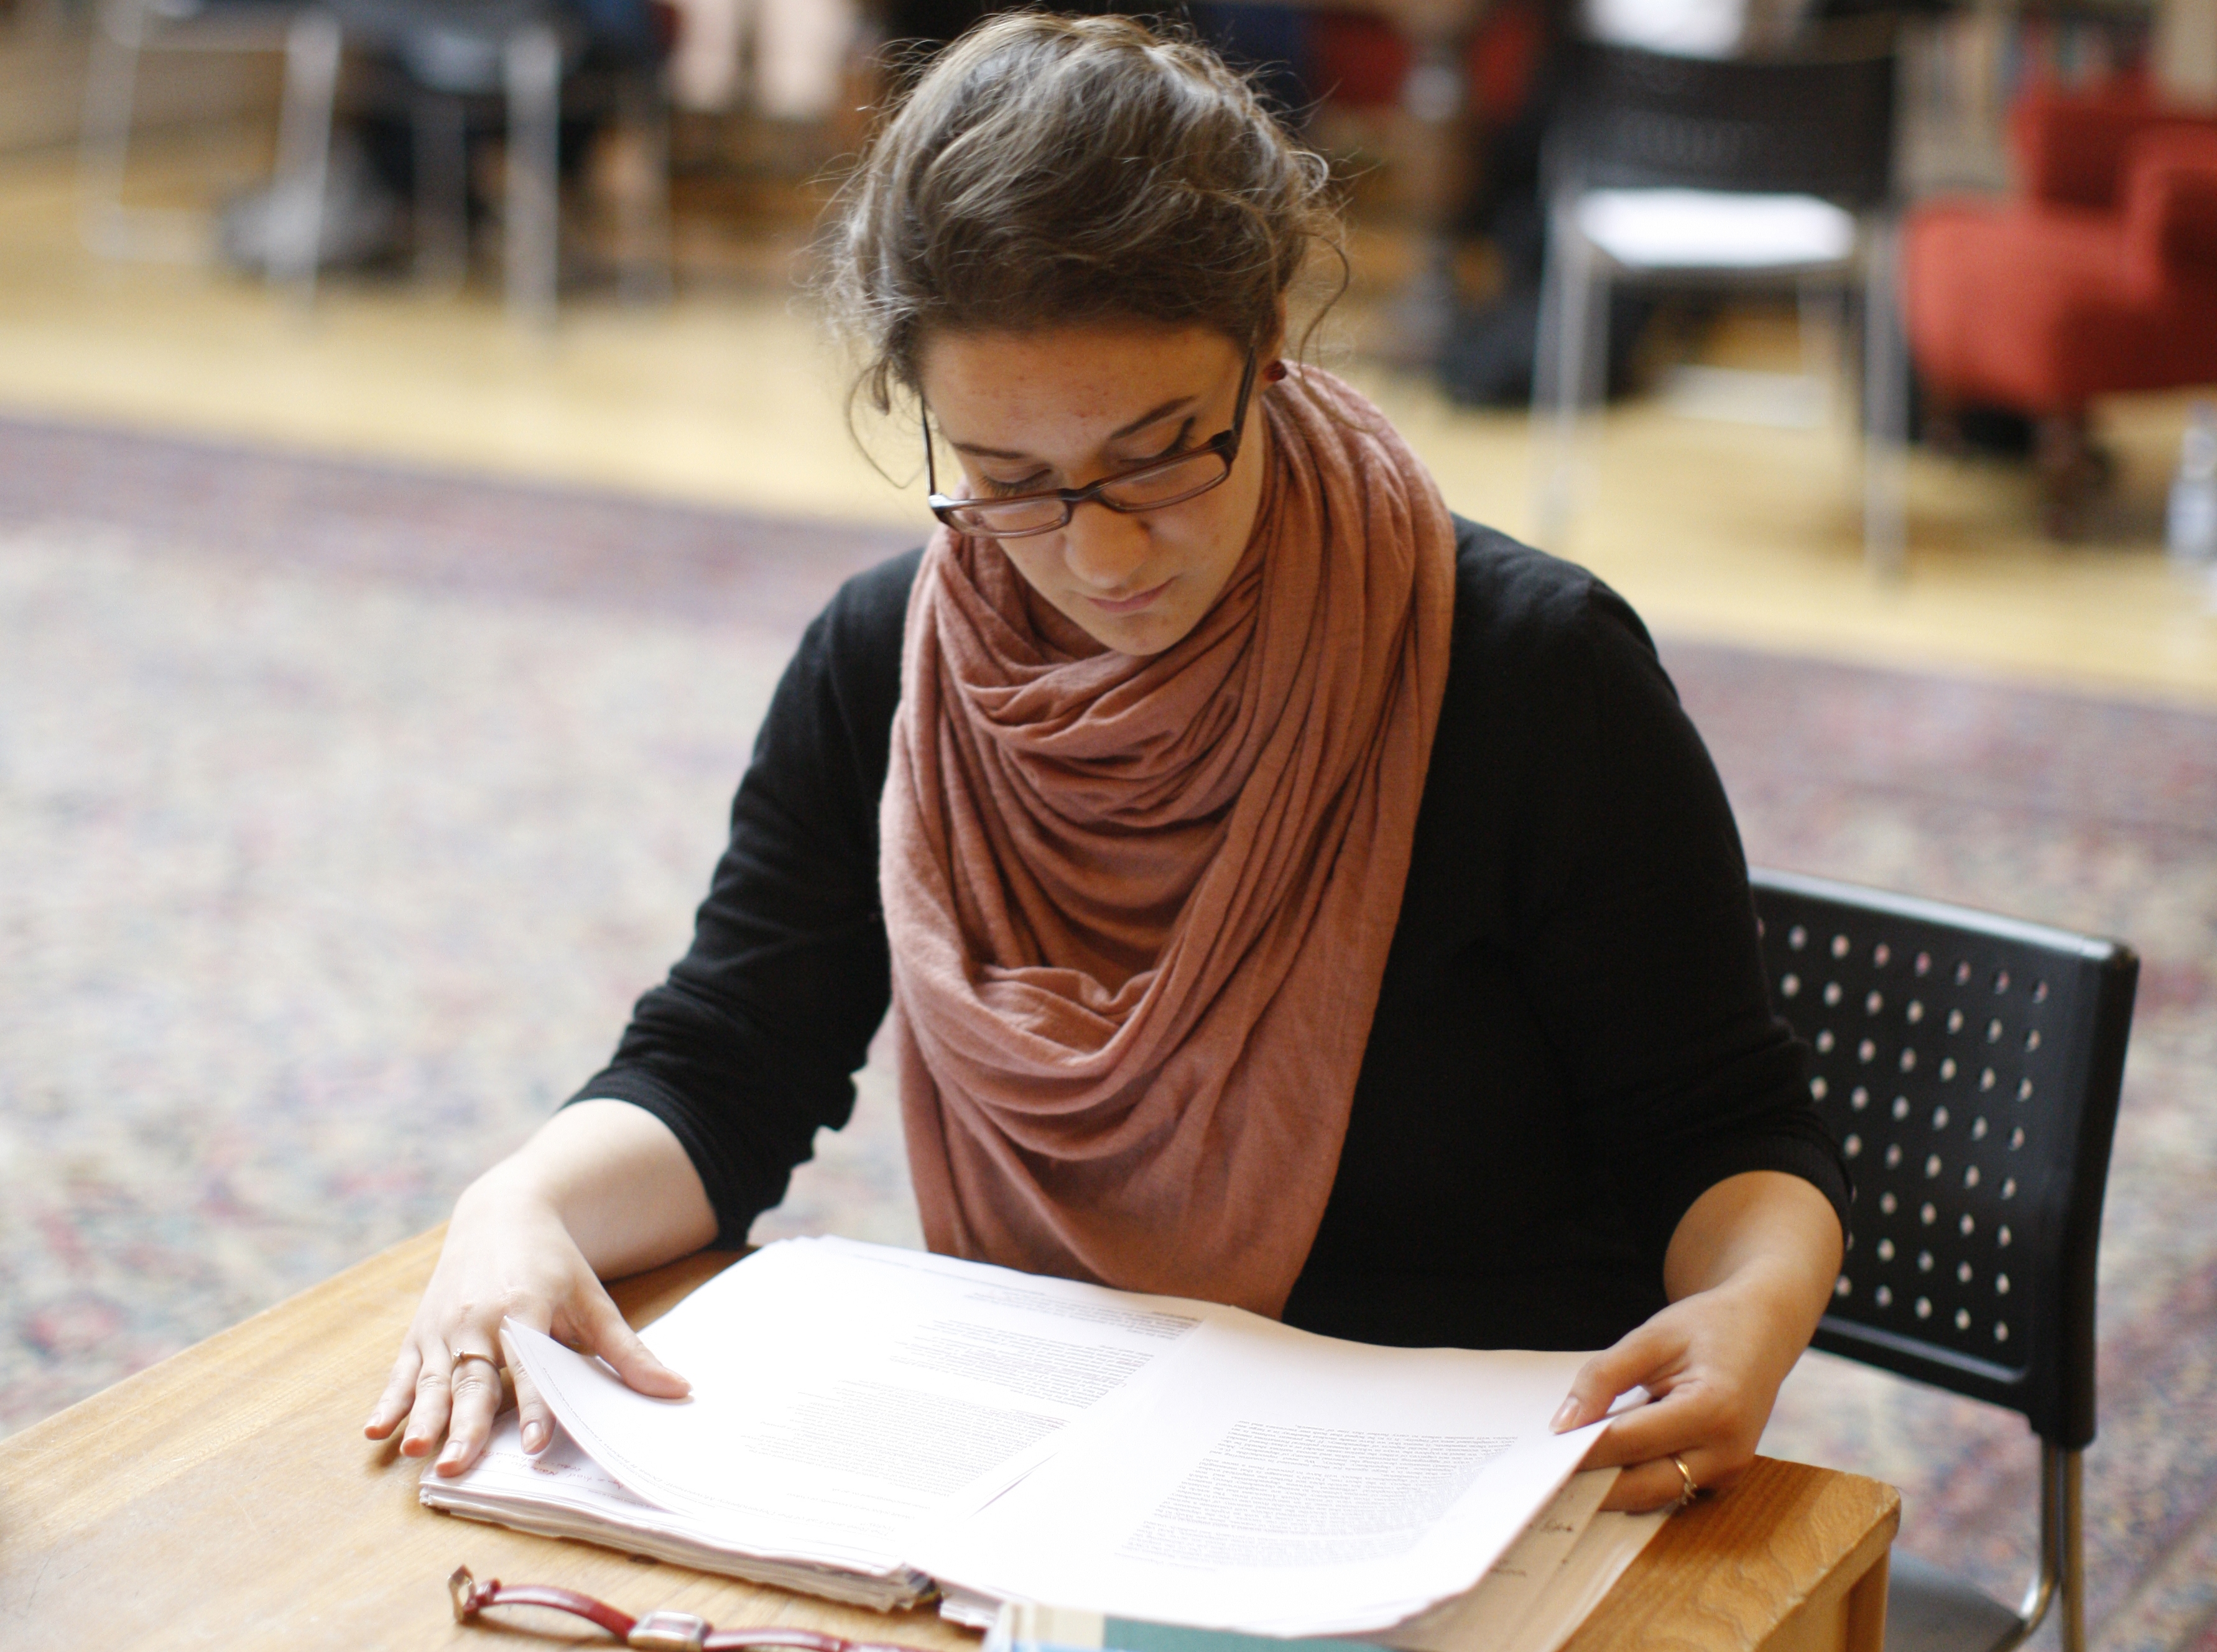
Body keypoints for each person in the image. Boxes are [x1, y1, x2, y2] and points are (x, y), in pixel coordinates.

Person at [365, 12, 1849, 1518]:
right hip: (1056, 1473)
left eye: (1158, 455)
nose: (1100, 551)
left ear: (1267, 338)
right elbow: (730, 1059)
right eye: (1008, 483)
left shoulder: (1528, 670)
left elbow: (1723, 1130)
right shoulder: (890, 662)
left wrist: (1752, 1307)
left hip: (1457, 1483)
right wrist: (520, 1202)